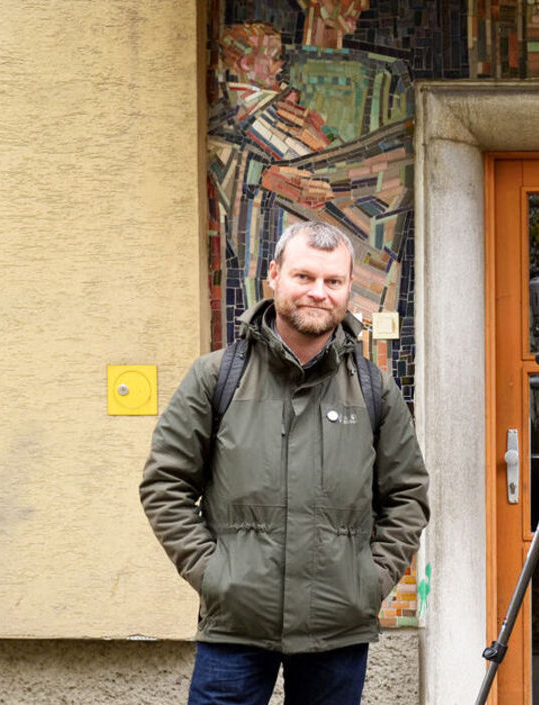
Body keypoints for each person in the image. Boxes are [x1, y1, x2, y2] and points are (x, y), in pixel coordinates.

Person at [141, 221, 430, 705]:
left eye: (333, 282)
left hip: (336, 629)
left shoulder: (375, 389)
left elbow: (408, 498)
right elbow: (164, 483)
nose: (319, 292)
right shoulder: (217, 377)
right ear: (274, 275)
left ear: (347, 290)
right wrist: (213, 575)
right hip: (235, 625)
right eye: (304, 277)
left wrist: (370, 581)